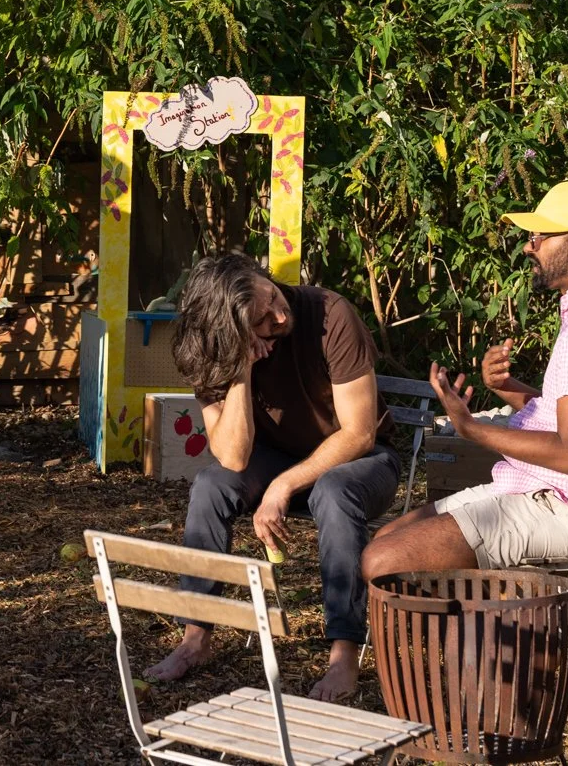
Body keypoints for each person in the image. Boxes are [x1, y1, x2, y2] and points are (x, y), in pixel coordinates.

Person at [363, 182, 568, 579]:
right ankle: (478, 620)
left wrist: (470, 428)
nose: (529, 247)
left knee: (383, 561)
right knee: (387, 537)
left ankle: (487, 620)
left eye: (540, 236)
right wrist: (505, 387)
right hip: (549, 491)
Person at [150, 253, 401, 703]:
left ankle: (344, 652)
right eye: (261, 321)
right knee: (211, 486)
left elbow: (360, 433)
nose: (279, 316)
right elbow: (232, 457)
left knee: (333, 490)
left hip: (363, 463)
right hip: (275, 459)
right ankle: (196, 636)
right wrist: (240, 371)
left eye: (270, 296)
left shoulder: (330, 315)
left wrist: (283, 486)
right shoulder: (211, 353)